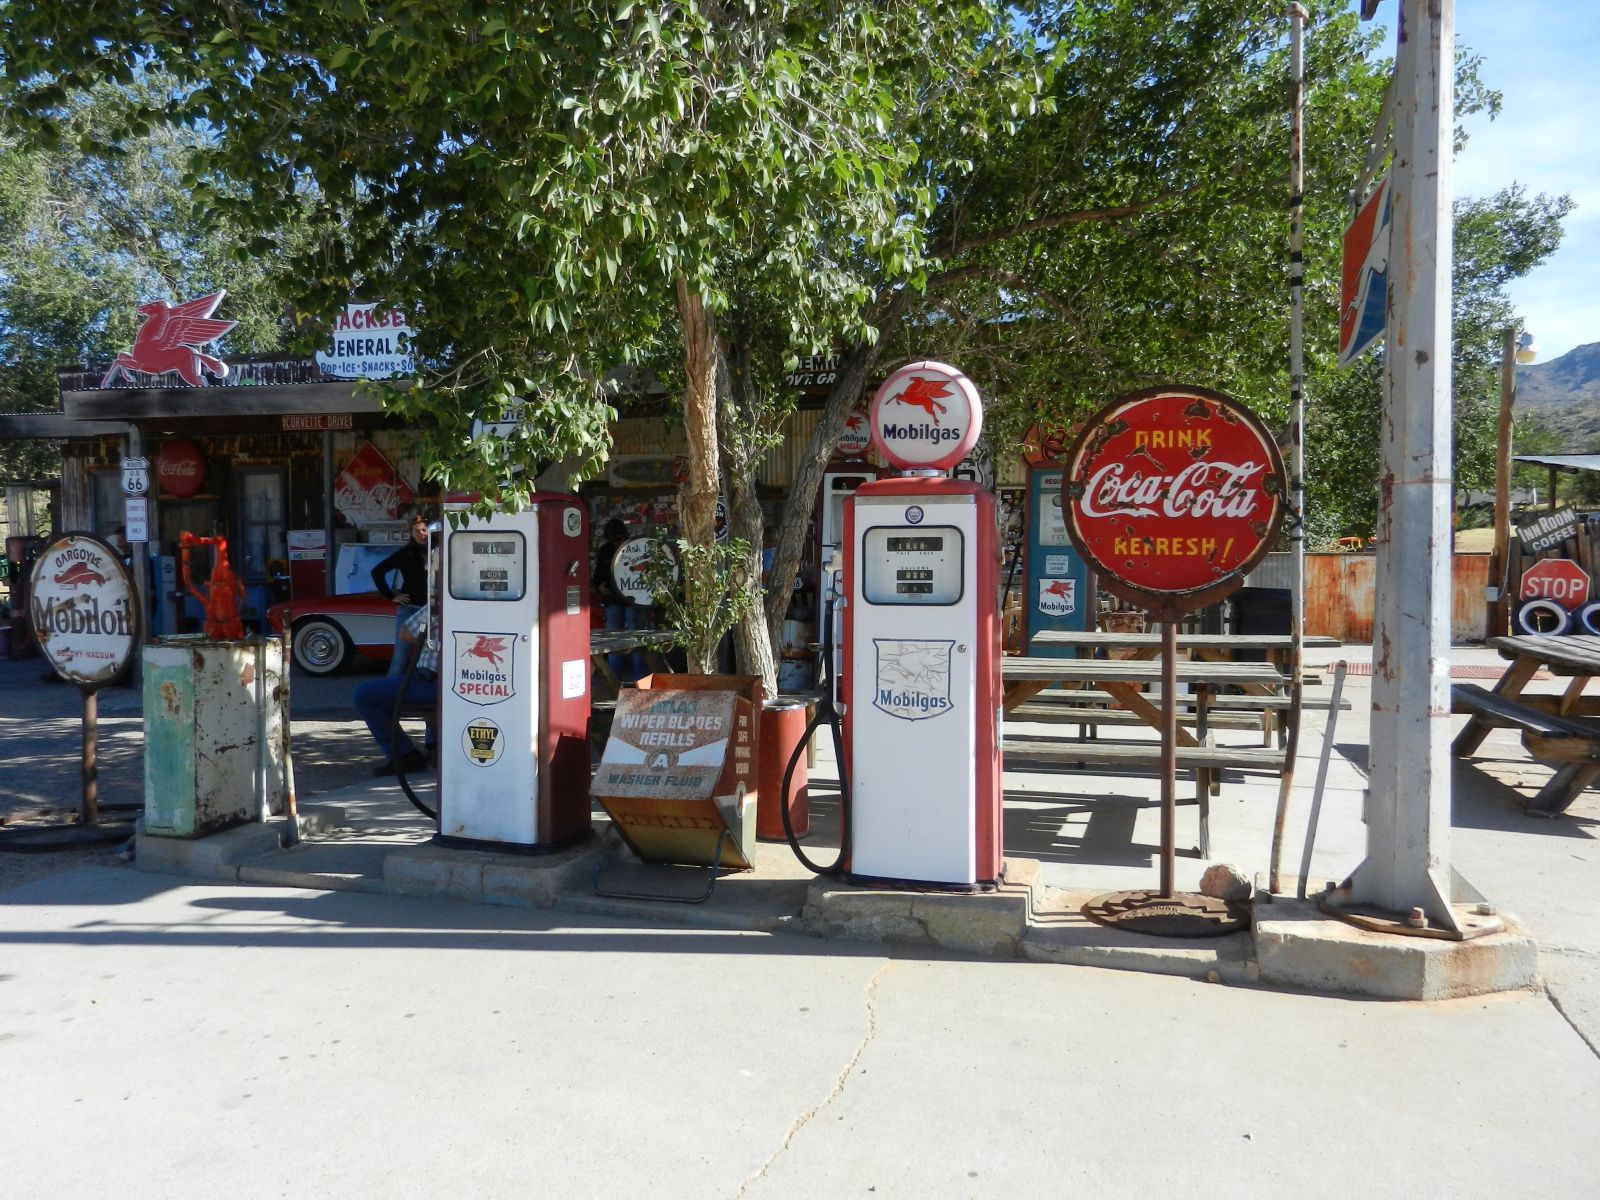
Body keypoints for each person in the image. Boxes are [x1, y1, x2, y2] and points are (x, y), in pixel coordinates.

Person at [352, 604, 437, 776]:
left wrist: (431, 614)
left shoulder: (438, 605)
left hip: (431, 681)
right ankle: (433, 746)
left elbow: (406, 633)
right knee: (380, 692)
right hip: (456, 683)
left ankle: (404, 754)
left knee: (364, 695)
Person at [372, 511, 431, 678]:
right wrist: (391, 596)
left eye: (424, 530)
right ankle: (390, 691)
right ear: (411, 534)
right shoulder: (405, 553)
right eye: (417, 531)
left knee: (427, 657)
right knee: (401, 655)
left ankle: (419, 691)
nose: (421, 534)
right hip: (409, 608)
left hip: (430, 609)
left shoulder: (437, 549)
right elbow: (377, 571)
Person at [593, 518, 645, 682]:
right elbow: (598, 573)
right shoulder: (605, 550)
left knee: (636, 636)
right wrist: (600, 586)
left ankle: (639, 677)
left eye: (618, 539)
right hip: (613, 599)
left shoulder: (634, 548)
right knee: (613, 638)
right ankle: (615, 678)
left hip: (632, 600)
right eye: (613, 540)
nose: (616, 543)